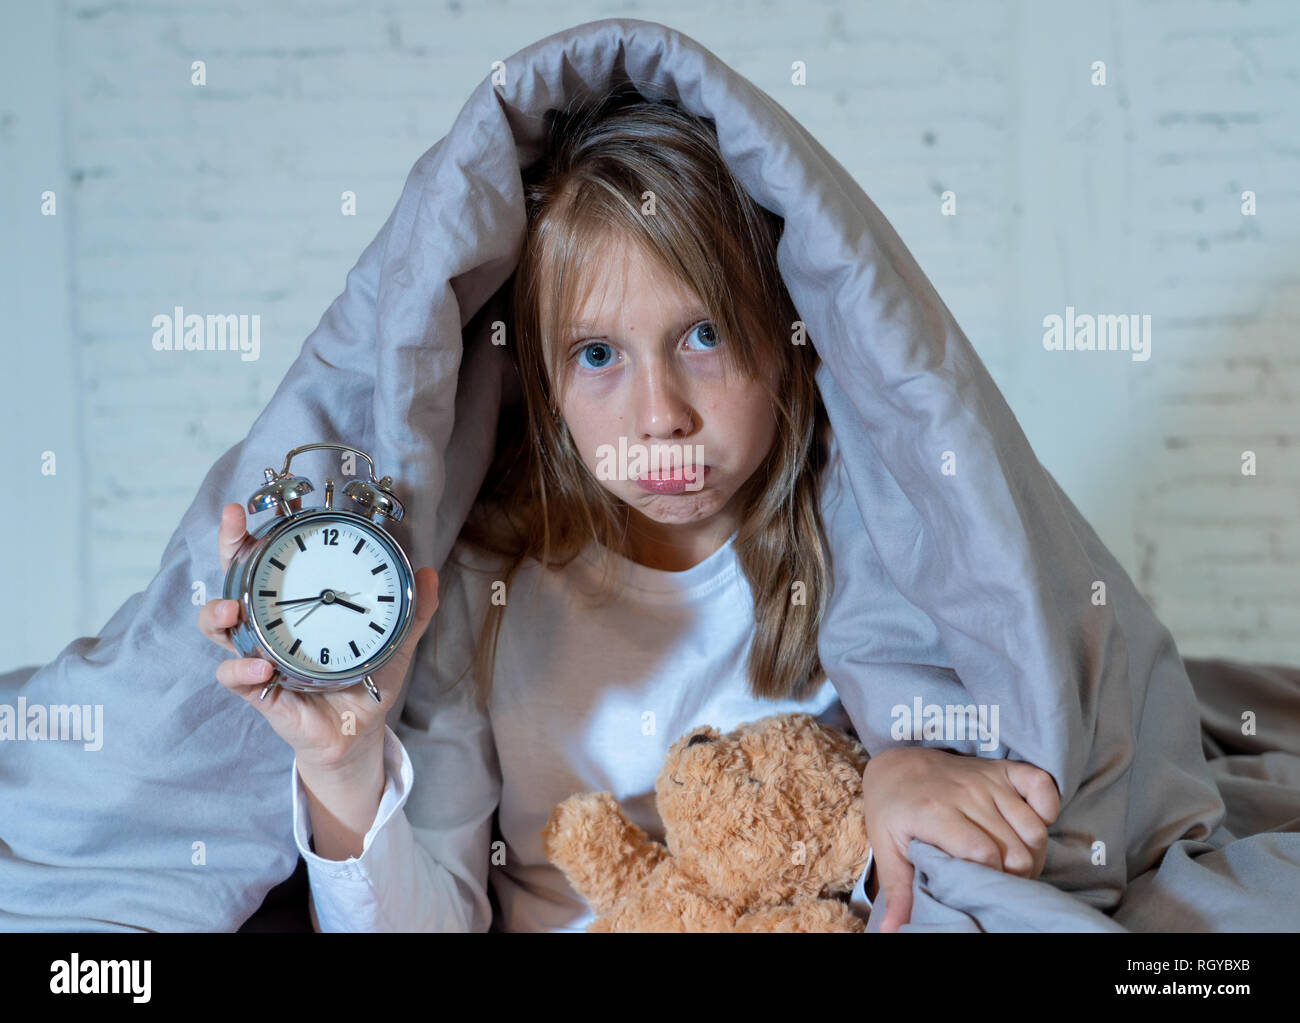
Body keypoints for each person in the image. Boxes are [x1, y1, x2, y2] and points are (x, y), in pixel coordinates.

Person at [196, 82, 1060, 933]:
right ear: (543, 384)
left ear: (793, 340)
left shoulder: (856, 550)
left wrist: (896, 779)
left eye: (706, 334)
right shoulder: (478, 585)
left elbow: (929, 842)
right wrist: (343, 768)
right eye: (599, 353)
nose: (661, 415)